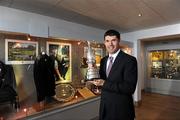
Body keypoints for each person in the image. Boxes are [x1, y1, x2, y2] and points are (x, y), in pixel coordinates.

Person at [92, 29, 138, 120]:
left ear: (119, 41)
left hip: (121, 109)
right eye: (107, 41)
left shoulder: (129, 60)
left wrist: (104, 83)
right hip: (105, 107)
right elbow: (102, 80)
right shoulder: (103, 60)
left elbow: (129, 88)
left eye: (113, 40)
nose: (110, 44)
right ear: (104, 42)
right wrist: (93, 72)